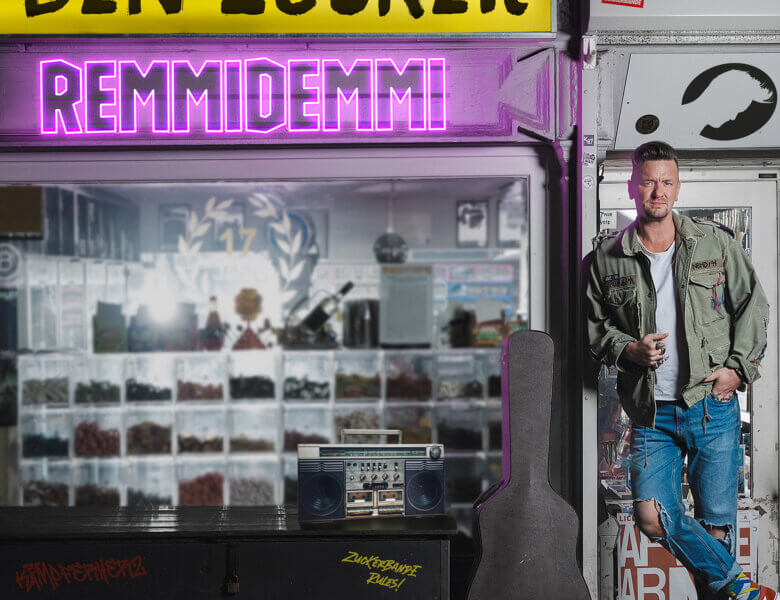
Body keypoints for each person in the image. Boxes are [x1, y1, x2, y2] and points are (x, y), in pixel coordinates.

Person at [586, 141, 774, 600]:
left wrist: (738, 369)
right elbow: (595, 331)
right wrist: (630, 349)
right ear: (633, 186)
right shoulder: (606, 257)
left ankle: (729, 586)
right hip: (650, 414)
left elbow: (753, 306)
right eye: (649, 181)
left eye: (666, 182)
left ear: (677, 186)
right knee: (652, 517)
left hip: (711, 407)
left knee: (715, 530)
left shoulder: (715, 243)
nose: (658, 191)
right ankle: (738, 584)